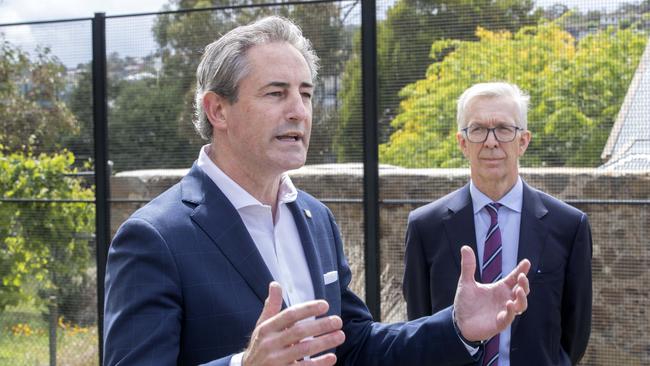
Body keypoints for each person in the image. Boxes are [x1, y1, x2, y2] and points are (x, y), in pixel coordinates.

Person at [103, 18, 531, 366]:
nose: (298, 111)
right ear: (218, 110)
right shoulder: (154, 238)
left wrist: (456, 326)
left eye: (305, 94)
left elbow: (356, 345)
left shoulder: (315, 218)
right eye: (276, 93)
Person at [402, 82, 592, 366]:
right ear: (463, 143)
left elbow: (574, 335)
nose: (491, 141)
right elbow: (421, 324)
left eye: (503, 128)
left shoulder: (568, 226)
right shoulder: (425, 228)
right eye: (477, 129)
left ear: (523, 141)